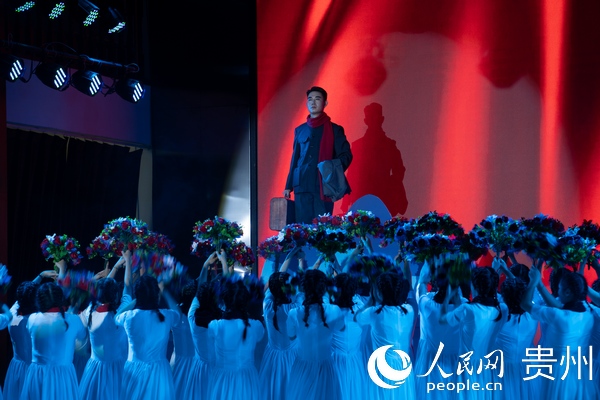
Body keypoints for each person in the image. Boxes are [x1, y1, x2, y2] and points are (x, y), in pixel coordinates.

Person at [284, 86, 353, 223]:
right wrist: (288, 186)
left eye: (317, 99)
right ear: (306, 103)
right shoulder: (300, 130)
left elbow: (346, 155)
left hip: (323, 185)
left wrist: (330, 169)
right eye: (310, 99)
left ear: (325, 103)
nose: (313, 102)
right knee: (301, 227)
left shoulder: (335, 130)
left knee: (322, 227)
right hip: (301, 185)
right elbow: (295, 159)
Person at [19, 282, 87, 400]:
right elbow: (82, 336)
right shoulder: (74, 319)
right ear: (60, 298)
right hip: (63, 375)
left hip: (39, 373)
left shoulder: (32, 318)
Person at [115, 274, 180, 400]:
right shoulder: (167, 316)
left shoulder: (129, 316)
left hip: (134, 371)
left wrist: (136, 300)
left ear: (137, 294)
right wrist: (164, 291)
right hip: (159, 371)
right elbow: (178, 314)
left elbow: (116, 317)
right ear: (156, 294)